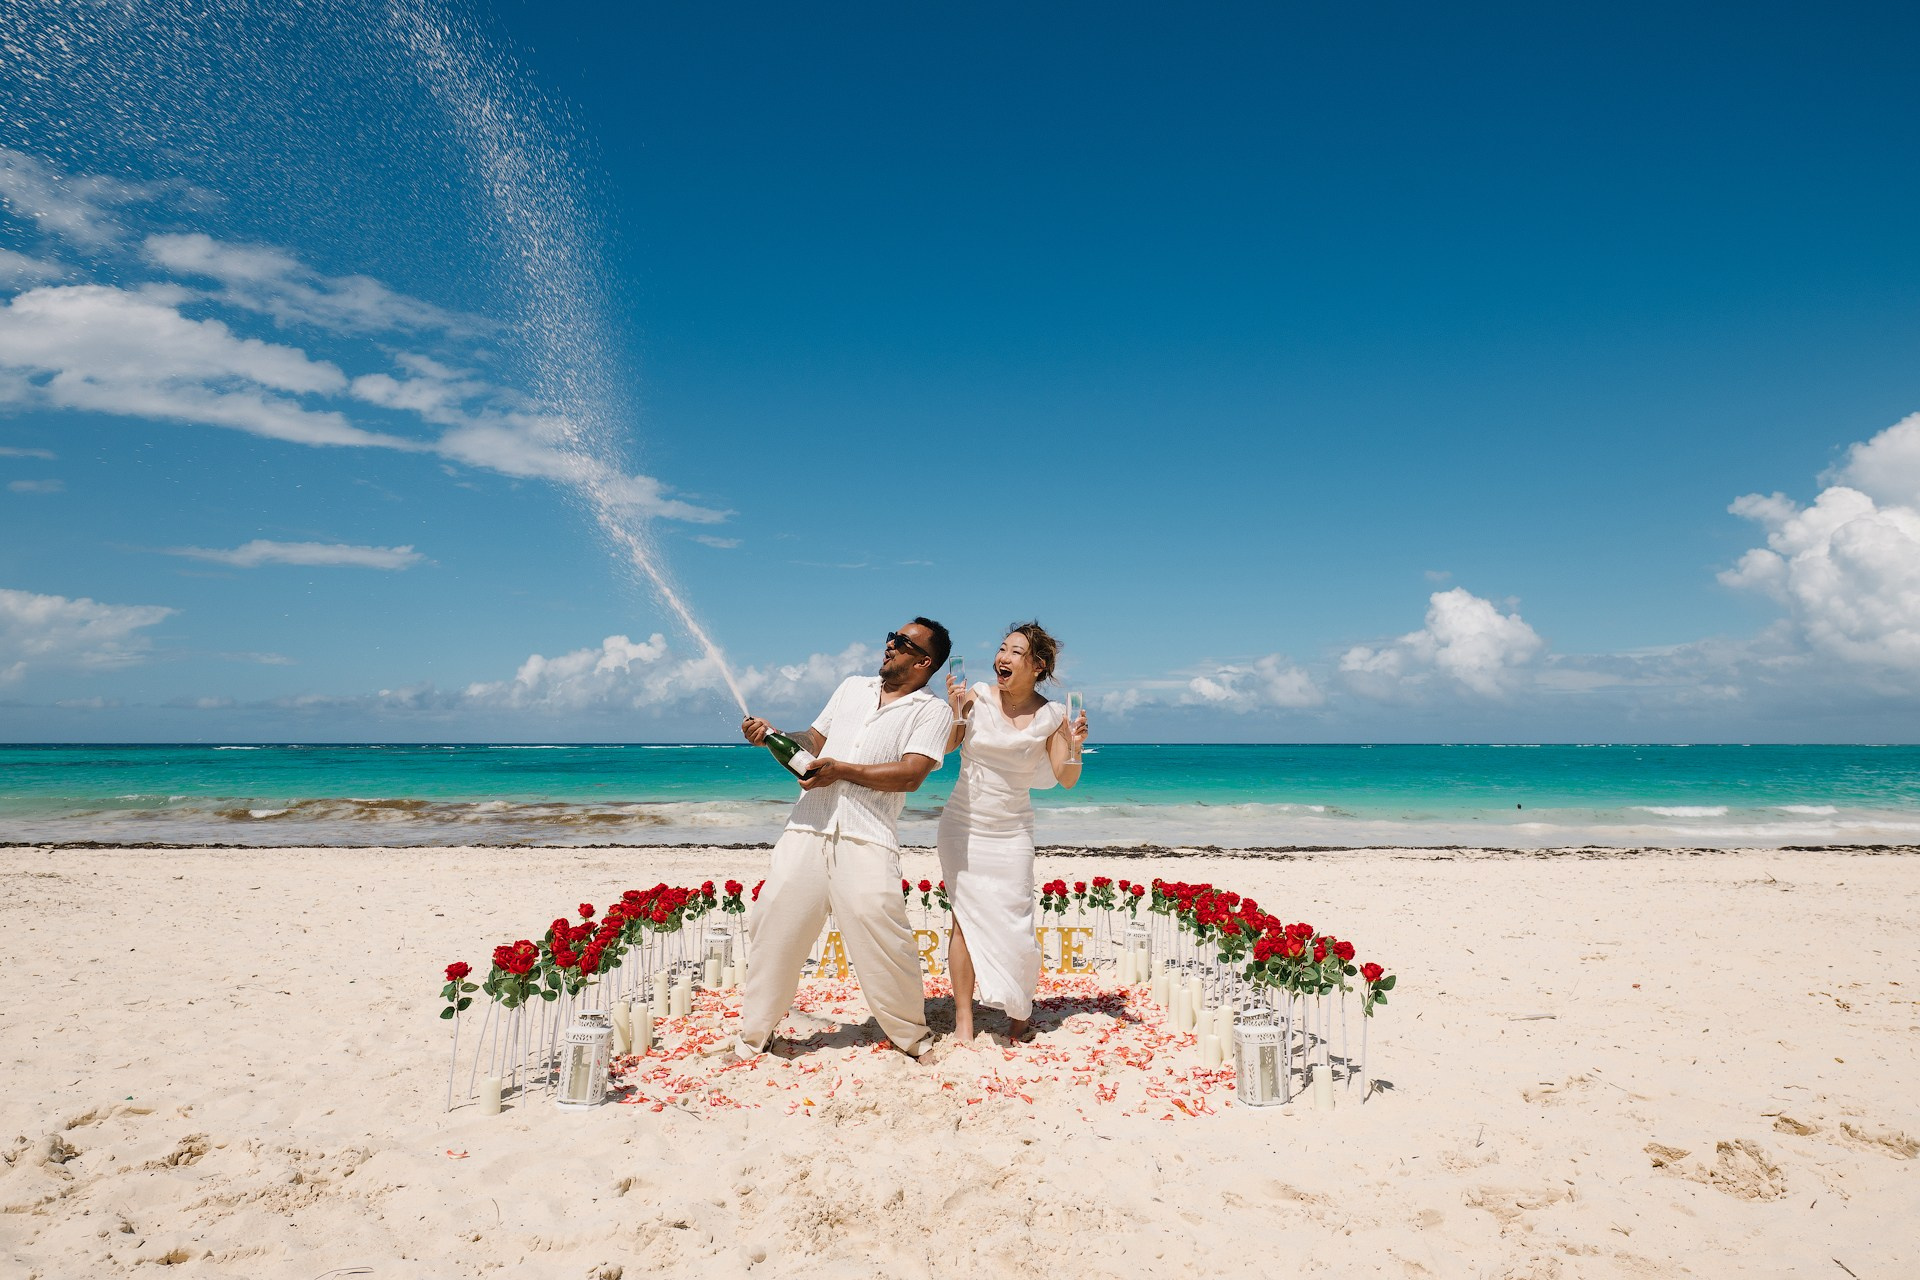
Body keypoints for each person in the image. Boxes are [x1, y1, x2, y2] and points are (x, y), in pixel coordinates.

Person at [736, 617, 954, 1060]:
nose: (890, 644)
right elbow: (812, 743)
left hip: (867, 836)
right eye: (892, 636)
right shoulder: (852, 687)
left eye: (903, 642)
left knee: (883, 933)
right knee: (775, 926)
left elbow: (912, 774)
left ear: (924, 660)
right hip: (807, 828)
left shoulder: (933, 711)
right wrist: (772, 738)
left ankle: (912, 1037)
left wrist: (841, 771)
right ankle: (754, 1038)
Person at [938, 622, 1088, 1042]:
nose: (1002, 658)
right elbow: (948, 748)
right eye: (1001, 649)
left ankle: (1020, 1011)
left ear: (1037, 666)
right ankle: (964, 1019)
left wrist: (1074, 746)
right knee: (962, 920)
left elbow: (1067, 779)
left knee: (1018, 922)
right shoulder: (976, 696)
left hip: (1012, 833)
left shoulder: (1053, 716)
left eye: (1014, 652)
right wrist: (954, 711)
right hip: (963, 824)